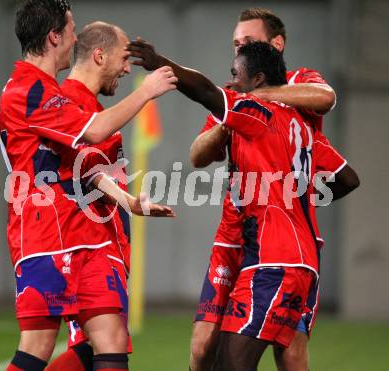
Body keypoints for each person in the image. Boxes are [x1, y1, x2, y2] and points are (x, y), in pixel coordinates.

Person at [125, 37, 348, 370]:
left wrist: (160, 63)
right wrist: (294, 197)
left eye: (236, 73)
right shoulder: (301, 122)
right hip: (289, 255)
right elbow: (347, 179)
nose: (231, 81)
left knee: (236, 364)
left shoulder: (259, 112)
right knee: (226, 359)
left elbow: (204, 90)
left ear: (257, 79)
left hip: (274, 260)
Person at [0, 1, 177, 370]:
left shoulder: (49, 91)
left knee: (109, 341)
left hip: (83, 239)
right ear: (55, 37)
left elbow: (84, 167)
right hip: (47, 233)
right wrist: (146, 91)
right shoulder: (29, 91)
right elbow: (94, 131)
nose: (75, 38)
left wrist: (128, 201)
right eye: (72, 29)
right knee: (38, 346)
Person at [187, 8, 359, 371]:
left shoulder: (298, 83)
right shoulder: (234, 94)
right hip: (233, 237)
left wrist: (260, 94)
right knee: (203, 349)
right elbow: (198, 156)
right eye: (235, 42)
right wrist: (232, 114)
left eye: (247, 41)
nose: (238, 47)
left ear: (276, 45)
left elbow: (326, 98)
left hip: (284, 240)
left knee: (290, 353)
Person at [46, 21, 174, 371]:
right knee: (109, 342)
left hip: (104, 246)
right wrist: (146, 90)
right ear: (99, 56)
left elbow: (94, 172)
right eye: (123, 58)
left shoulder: (94, 110)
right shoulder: (68, 103)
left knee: (97, 347)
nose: (127, 67)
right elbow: (84, 168)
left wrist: (128, 202)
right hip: (84, 248)